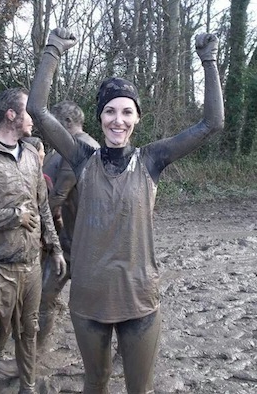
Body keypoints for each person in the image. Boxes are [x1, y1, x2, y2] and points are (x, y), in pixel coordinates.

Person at [27, 28, 224, 393]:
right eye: (110, 111)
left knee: (141, 388)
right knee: (96, 384)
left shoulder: (152, 159)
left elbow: (211, 124)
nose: (118, 120)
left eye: (126, 112)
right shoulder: (82, 158)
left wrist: (209, 61)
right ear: (100, 117)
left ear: (137, 118)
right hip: (88, 300)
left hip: (140, 298)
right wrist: (53, 50)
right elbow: (37, 110)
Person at [0, 88, 66, 394]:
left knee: (29, 331)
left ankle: (27, 388)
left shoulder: (31, 155)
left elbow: (42, 206)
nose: (36, 118)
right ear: (11, 115)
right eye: (30, 111)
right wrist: (11, 216)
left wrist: (54, 247)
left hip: (30, 266)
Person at [37, 100, 100, 348]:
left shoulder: (78, 147)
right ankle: (34, 356)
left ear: (65, 124)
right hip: (76, 240)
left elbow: (57, 198)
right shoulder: (86, 145)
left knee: (100, 308)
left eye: (52, 125)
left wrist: (31, 222)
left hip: (83, 247)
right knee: (47, 296)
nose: (48, 131)